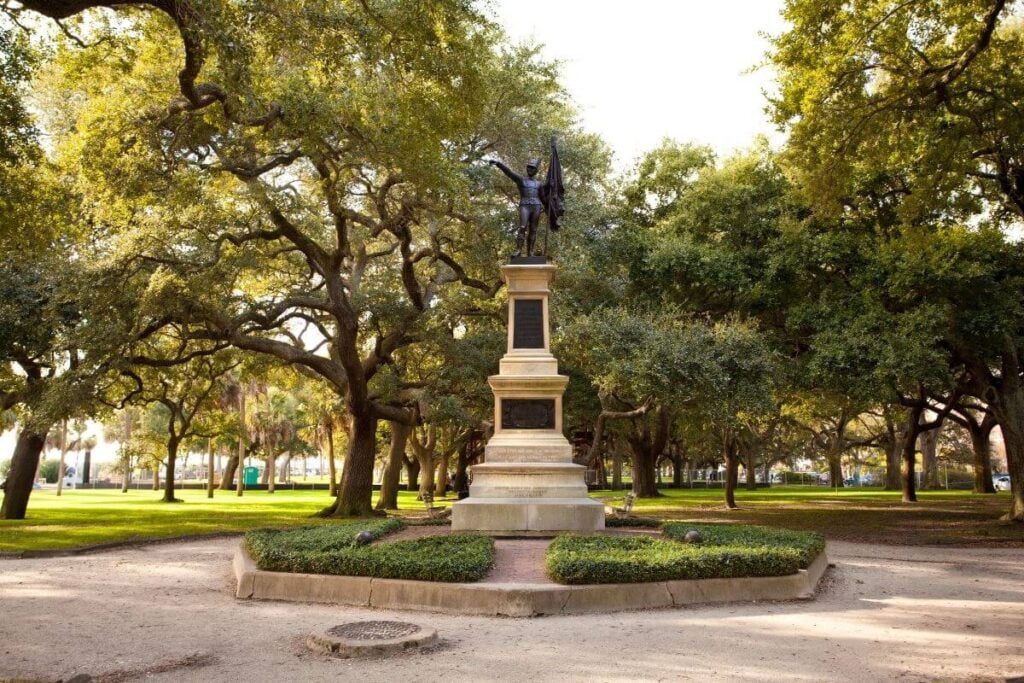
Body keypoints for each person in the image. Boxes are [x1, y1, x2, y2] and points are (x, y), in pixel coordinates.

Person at [488, 157, 544, 257]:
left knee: (533, 229)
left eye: (532, 168)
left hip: (536, 206)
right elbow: (509, 172)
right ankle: (518, 250)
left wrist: (547, 205)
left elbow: (543, 198)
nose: (530, 169)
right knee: (522, 227)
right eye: (529, 167)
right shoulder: (521, 180)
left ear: (536, 170)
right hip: (525, 205)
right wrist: (499, 164)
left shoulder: (539, 184)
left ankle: (530, 252)